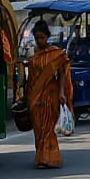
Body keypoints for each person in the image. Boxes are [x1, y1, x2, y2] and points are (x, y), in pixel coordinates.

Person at [25, 20, 73, 170]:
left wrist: (61, 93)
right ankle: (40, 157)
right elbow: (30, 78)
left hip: (50, 95)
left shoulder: (56, 54)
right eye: (37, 38)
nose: (39, 41)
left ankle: (49, 158)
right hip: (34, 97)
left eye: (42, 38)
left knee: (47, 128)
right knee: (38, 128)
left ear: (47, 37)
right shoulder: (34, 56)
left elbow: (62, 75)